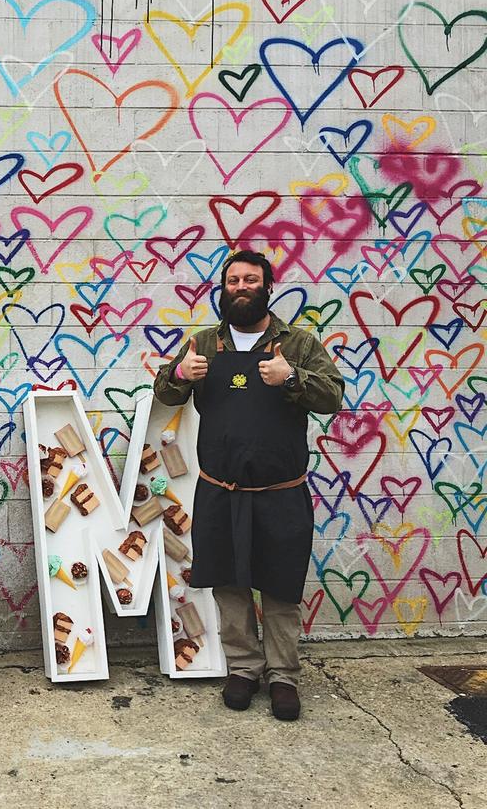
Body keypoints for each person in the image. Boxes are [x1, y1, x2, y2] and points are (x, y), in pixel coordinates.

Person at [153, 250, 343, 721]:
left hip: (281, 492)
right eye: (233, 279)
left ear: (267, 287)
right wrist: (179, 374)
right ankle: (243, 668)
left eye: (250, 280)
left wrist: (291, 377)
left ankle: (283, 676)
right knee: (229, 585)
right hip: (220, 489)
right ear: (223, 288)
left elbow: (333, 397)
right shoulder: (203, 342)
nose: (241, 286)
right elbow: (164, 390)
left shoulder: (296, 343)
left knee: (279, 587)